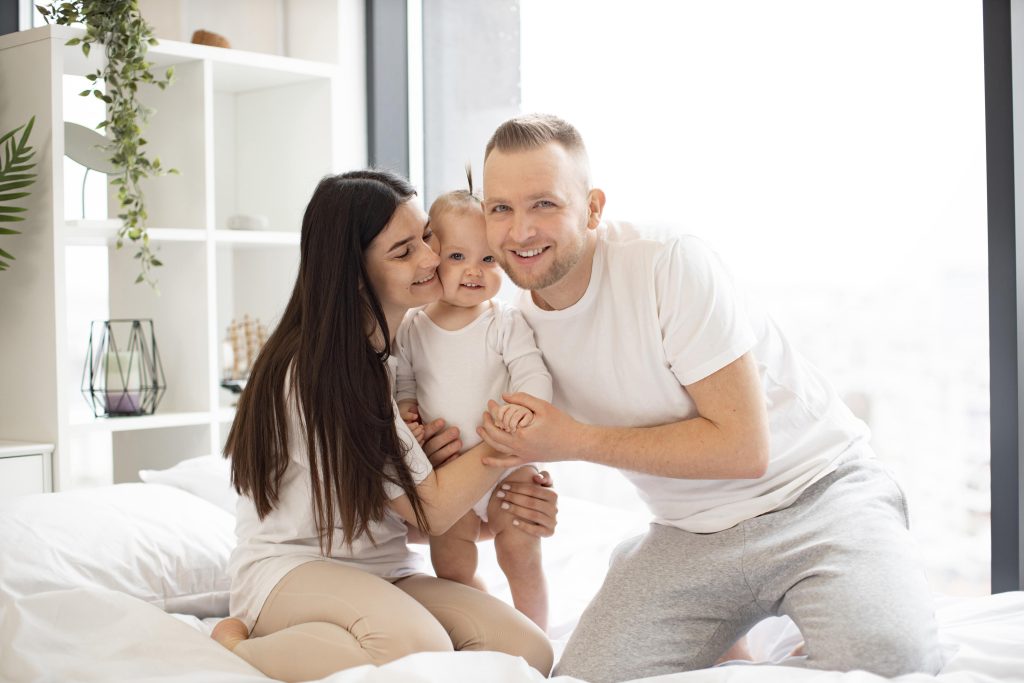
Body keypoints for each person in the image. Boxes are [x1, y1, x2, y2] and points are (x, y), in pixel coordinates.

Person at [471, 114, 943, 683]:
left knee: (892, 664)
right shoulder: (512, 330)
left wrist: (574, 442)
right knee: (586, 681)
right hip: (689, 534)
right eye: (500, 208)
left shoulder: (666, 259)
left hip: (817, 496)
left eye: (544, 204)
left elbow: (744, 450)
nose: (520, 230)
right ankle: (711, 623)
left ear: (593, 208)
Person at [209, 170, 556, 683]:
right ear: (355, 274)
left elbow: (407, 516)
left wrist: (505, 512)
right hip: (291, 568)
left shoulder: (399, 357)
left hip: (384, 568)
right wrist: (513, 443)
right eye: (404, 251)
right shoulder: (325, 370)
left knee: (526, 653)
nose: (431, 258)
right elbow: (433, 509)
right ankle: (236, 646)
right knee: (415, 646)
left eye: (427, 236)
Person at [394, 179, 552, 630]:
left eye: (488, 259)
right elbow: (404, 380)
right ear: (432, 258)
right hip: (447, 476)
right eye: (457, 257)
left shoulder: (504, 322)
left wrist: (524, 408)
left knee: (519, 551)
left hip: (505, 465)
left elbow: (533, 372)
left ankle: (537, 631)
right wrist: (407, 410)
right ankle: (491, 623)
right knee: (451, 564)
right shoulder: (413, 326)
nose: (474, 271)